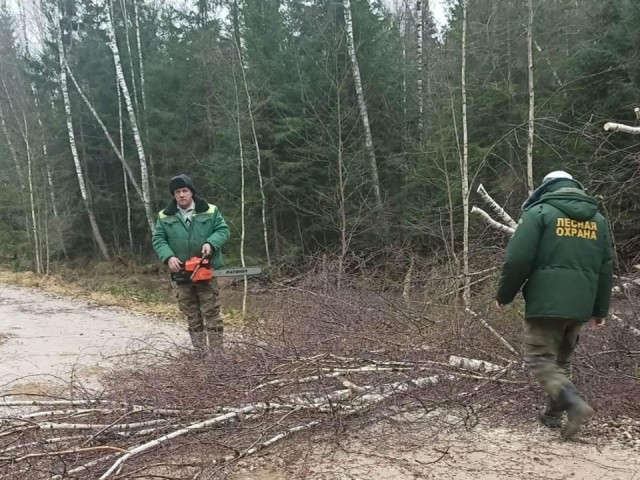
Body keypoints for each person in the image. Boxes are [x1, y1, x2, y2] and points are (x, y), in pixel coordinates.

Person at [495, 170, 613, 440]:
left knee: (540, 359)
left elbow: (517, 259)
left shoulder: (540, 213)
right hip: (580, 305)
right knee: (562, 360)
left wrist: (505, 294)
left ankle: (575, 405)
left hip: (545, 302)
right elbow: (606, 268)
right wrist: (599, 309)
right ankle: (552, 416)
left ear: (546, 187)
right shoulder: (599, 220)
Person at [152, 174, 230, 353]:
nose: (181, 195)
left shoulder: (209, 210)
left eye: (184, 191)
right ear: (174, 195)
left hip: (206, 270)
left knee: (212, 313)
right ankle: (200, 353)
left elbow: (223, 230)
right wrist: (169, 256)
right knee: (192, 315)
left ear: (191, 192)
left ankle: (217, 355)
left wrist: (211, 243)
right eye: (177, 192)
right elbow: (158, 239)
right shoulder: (165, 216)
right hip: (181, 273)